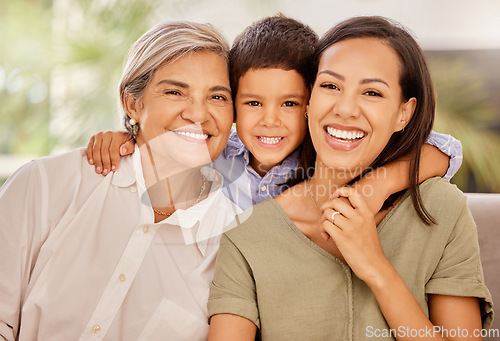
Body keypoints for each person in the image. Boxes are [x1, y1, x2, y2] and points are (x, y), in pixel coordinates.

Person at [207, 16, 493, 340]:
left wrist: (375, 267)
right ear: (309, 99)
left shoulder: (442, 210)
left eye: (372, 92)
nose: (346, 109)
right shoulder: (247, 233)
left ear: (404, 113)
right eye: (330, 86)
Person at [0, 21, 241, 341]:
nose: (198, 114)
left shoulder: (233, 243)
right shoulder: (44, 185)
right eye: (174, 91)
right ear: (133, 103)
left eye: (217, 97)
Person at [86, 15, 462, 214]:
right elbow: (169, 147)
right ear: (231, 106)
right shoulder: (218, 154)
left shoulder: (331, 157)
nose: (270, 121)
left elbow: (445, 149)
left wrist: (380, 185)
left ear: (313, 103)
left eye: (290, 103)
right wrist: (129, 137)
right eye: (252, 103)